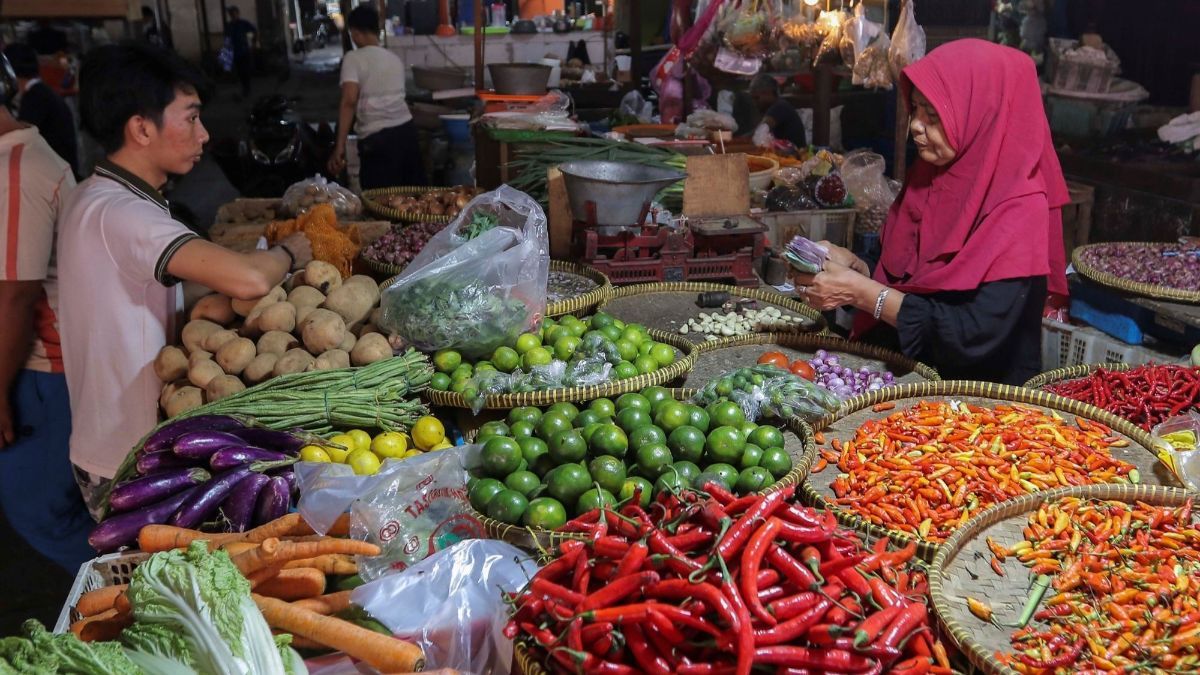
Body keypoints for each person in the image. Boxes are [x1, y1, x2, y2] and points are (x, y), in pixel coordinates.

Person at [57, 43, 312, 517]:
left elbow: (143, 292)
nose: (204, 134)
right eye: (190, 118)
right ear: (141, 128)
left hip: (112, 439)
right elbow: (251, 280)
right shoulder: (124, 214)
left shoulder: (93, 194)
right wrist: (289, 251)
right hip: (129, 456)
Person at [791, 40, 1069, 386]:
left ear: (982, 115)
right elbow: (913, 280)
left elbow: (974, 334)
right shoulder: (932, 178)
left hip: (974, 399)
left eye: (933, 115)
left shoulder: (1020, 207)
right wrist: (859, 268)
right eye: (916, 110)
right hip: (910, 372)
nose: (916, 127)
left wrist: (862, 293)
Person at [0, 52, 93, 571]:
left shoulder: (16, 172)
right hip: (35, 368)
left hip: (40, 372)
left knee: (42, 511)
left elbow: (15, 296)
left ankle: (126, 598)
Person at [327, 5, 426, 189]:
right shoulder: (394, 59)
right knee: (410, 201)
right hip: (407, 134)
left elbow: (349, 101)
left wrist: (339, 146)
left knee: (379, 203)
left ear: (355, 32)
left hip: (378, 141)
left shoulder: (353, 59)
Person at [3, 43, 79, 176]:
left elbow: (19, 142)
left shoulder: (36, 97)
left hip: (56, 174)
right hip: (64, 172)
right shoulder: (42, 92)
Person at [748, 73, 806, 148]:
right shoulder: (779, 105)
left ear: (768, 93)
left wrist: (733, 138)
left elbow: (760, 130)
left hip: (794, 156)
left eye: (756, 98)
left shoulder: (779, 107)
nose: (754, 103)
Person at [224, 6, 257, 99]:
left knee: (245, 71)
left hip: (244, 51)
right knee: (240, 72)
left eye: (235, 14)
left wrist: (252, 44)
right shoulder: (229, 26)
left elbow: (253, 31)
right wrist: (226, 54)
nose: (234, 16)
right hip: (235, 53)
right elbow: (227, 40)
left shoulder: (243, 23)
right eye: (232, 14)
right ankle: (244, 88)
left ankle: (247, 89)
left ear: (238, 14)